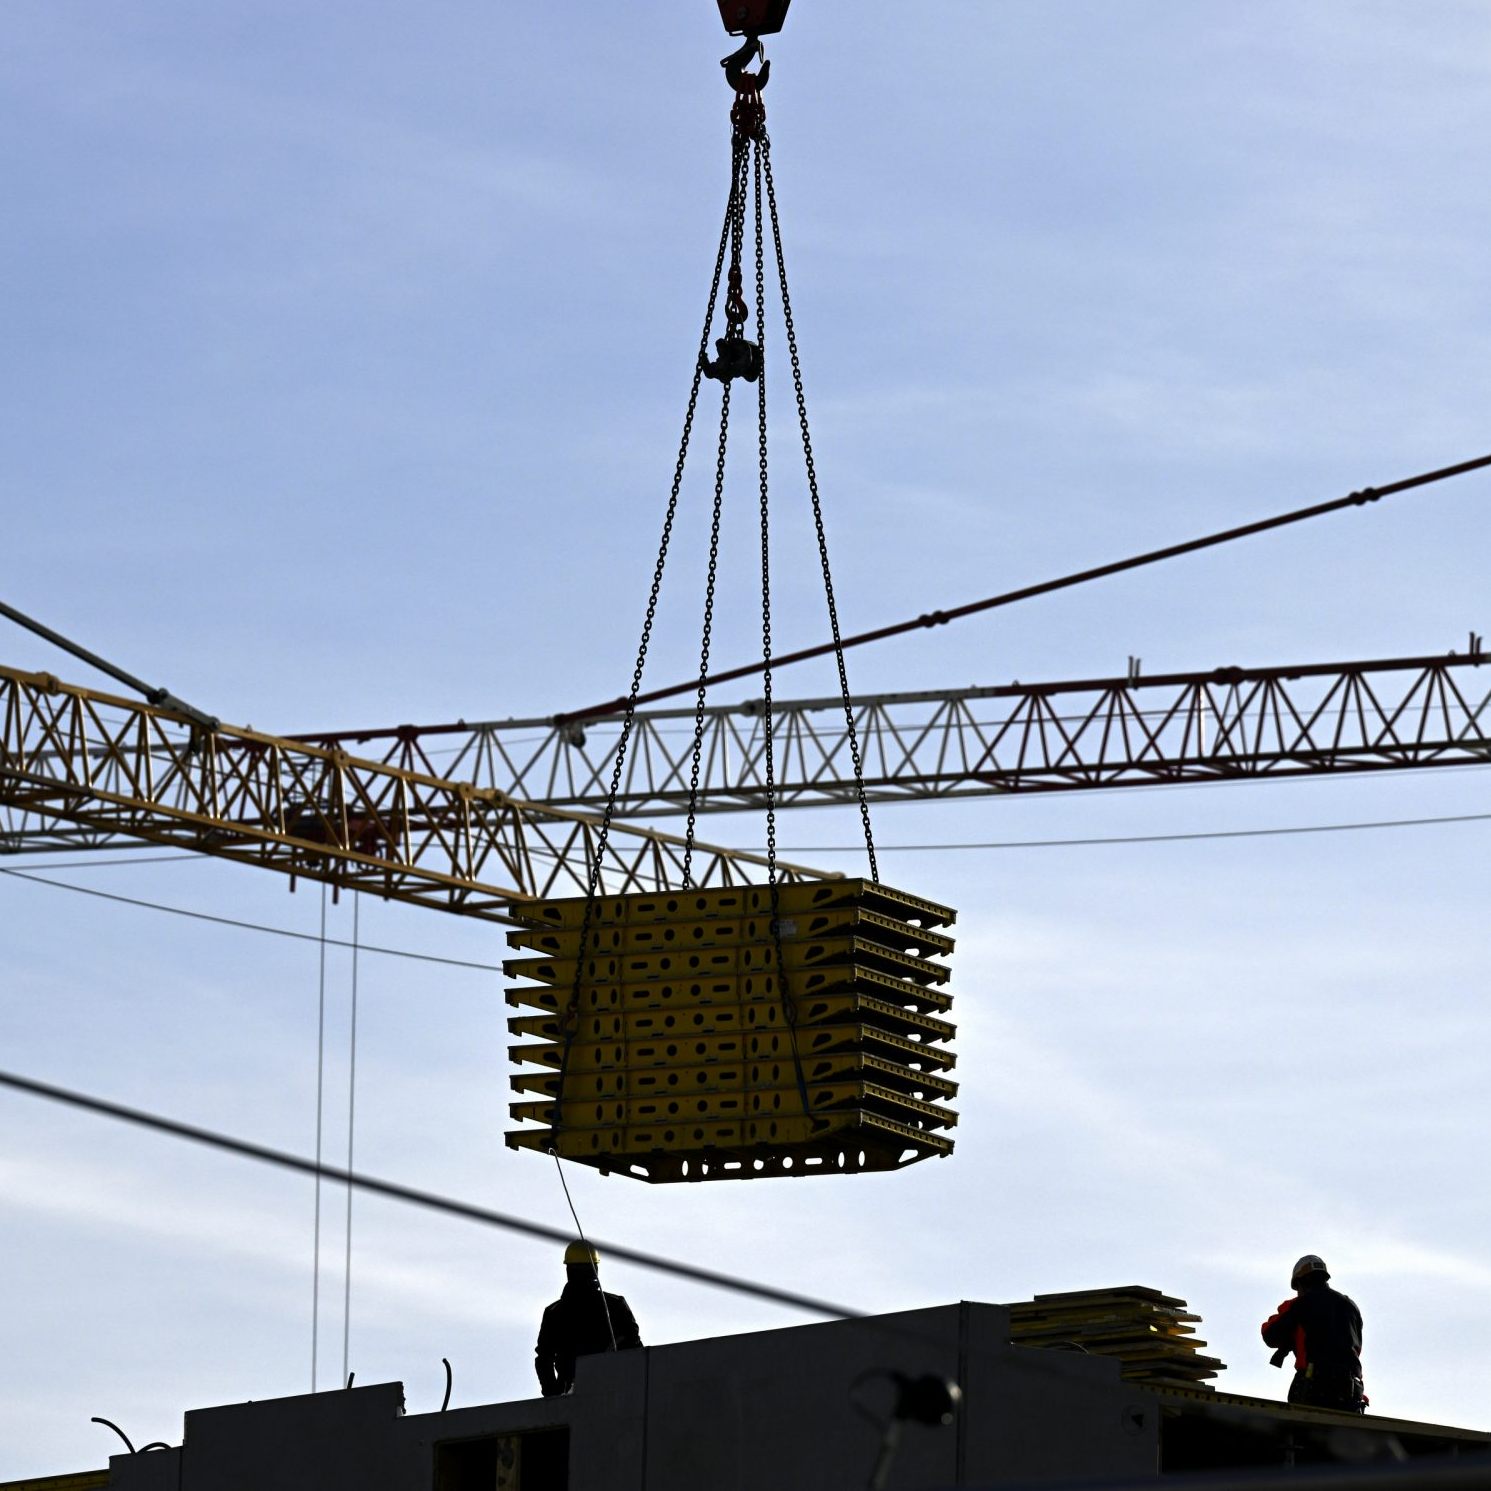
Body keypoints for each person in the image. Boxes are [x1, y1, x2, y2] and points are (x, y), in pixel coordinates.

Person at [535, 1240, 642, 1397]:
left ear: (568, 1270)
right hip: (613, 1391)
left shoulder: (554, 1312)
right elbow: (636, 1351)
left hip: (573, 1394)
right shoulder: (615, 1305)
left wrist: (553, 1398)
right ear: (595, 1269)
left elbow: (544, 1359)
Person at [1261, 1254, 1366, 1412]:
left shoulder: (1299, 1305)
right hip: (1350, 1391)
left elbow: (1269, 1335)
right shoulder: (1351, 1307)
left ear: (1300, 1282)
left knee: (1304, 1432)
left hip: (1314, 1386)